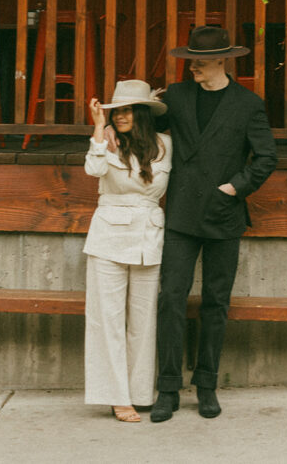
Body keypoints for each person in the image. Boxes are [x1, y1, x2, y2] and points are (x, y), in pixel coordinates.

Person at [151, 26, 277, 422]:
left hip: (223, 214)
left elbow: (267, 156)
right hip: (182, 215)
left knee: (215, 304)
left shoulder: (247, 103)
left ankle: (207, 386)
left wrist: (235, 188)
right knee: (171, 298)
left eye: (200, 62)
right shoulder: (177, 96)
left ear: (222, 61)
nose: (192, 68)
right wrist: (142, 105)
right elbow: (146, 128)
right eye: (190, 61)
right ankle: (167, 390)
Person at [83, 79, 172, 423]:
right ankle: (116, 396)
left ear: (144, 113)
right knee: (108, 319)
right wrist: (97, 128)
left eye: (128, 110)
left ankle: (138, 393)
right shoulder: (106, 140)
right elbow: (93, 170)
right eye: (116, 110)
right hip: (108, 237)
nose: (121, 116)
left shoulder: (166, 145)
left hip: (149, 237)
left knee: (143, 320)